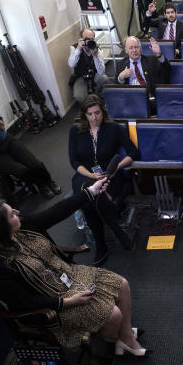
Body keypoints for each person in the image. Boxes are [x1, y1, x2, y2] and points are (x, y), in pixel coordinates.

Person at [0, 178, 147, 357]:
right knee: (114, 315)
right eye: (11, 214)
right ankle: (113, 343)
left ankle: (125, 337)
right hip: (53, 302)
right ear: (0, 230)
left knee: (122, 284)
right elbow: (23, 301)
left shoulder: (22, 226)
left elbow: (56, 211)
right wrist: (67, 302)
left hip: (70, 273)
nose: (17, 211)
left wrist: (91, 191)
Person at [67, 95, 139, 264]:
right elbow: (74, 161)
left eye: (97, 113)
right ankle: (115, 230)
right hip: (85, 175)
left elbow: (133, 152)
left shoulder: (114, 128)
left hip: (110, 174)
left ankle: (101, 245)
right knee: (89, 194)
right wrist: (91, 175)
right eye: (90, 114)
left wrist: (116, 169)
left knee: (89, 198)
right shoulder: (75, 131)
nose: (94, 117)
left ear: (103, 111)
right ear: (84, 114)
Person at [68, 28, 110, 104]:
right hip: (81, 76)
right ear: (81, 39)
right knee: (78, 96)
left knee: (105, 79)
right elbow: (71, 64)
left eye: (91, 39)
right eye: (86, 39)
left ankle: (98, 99)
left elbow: (101, 72)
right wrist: (78, 49)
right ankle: (90, 102)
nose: (89, 41)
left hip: (95, 74)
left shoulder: (97, 49)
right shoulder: (74, 48)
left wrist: (95, 56)